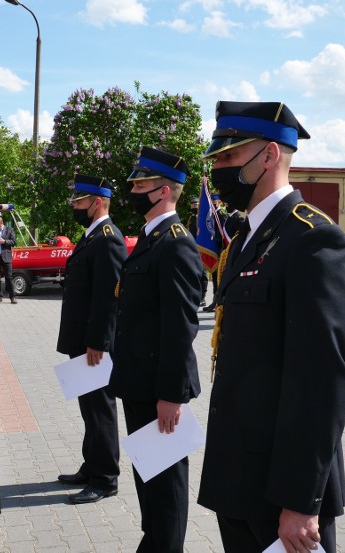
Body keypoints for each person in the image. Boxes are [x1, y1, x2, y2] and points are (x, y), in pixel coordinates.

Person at [197, 101, 345, 553]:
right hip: (239, 477)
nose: (218, 171)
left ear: (268, 155)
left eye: (228, 158)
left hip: (281, 491)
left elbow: (320, 382)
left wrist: (299, 500)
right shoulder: (249, 236)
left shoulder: (312, 239)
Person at [109, 146, 202, 553]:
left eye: (140, 184)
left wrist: (171, 394)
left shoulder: (176, 244)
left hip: (158, 388)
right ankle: (155, 542)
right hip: (137, 381)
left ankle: (165, 547)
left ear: (163, 191)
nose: (133, 190)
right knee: (149, 476)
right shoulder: (152, 239)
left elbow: (181, 327)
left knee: (165, 484)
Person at [55, 174, 127, 504]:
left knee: (100, 410)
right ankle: (91, 465)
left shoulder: (108, 239)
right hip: (82, 341)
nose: (74, 207)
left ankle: (105, 477)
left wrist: (99, 342)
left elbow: (109, 297)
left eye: (79, 202)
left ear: (97, 202)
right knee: (89, 409)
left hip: (94, 345)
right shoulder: (91, 237)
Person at [186, 197, 209, 306]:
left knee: (203, 274)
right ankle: (194, 294)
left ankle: (203, 297)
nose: (194, 207)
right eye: (192, 205)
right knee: (193, 272)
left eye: (196, 205)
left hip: (202, 248)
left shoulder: (203, 218)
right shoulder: (191, 218)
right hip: (192, 248)